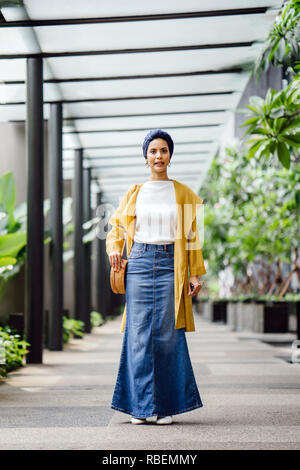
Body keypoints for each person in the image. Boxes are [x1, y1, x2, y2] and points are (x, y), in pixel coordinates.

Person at [106, 129, 206, 425]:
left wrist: (195, 273)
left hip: (169, 265)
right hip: (138, 262)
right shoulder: (134, 192)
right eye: (153, 151)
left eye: (163, 150)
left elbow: (191, 237)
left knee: (166, 335)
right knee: (138, 335)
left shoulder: (183, 193)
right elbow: (116, 228)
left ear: (170, 156)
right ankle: (139, 408)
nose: (158, 156)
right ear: (146, 157)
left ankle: (163, 407)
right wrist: (114, 250)